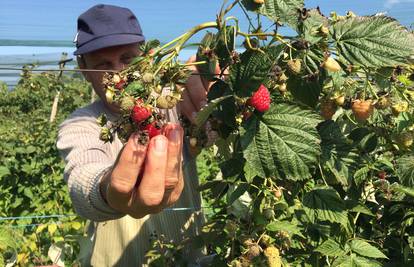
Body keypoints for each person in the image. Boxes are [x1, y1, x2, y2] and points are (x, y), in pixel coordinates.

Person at [57, 4, 213, 266]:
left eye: (128, 59)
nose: (119, 73)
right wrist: (107, 188)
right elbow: (82, 178)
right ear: (83, 68)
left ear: (148, 56)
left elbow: (215, 132)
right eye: (104, 64)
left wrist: (214, 90)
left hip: (187, 256)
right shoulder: (81, 124)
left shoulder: (173, 103)